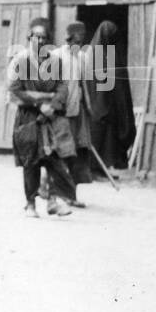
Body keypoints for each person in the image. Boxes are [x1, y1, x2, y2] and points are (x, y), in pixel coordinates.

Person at [8, 17, 75, 218]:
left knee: (54, 158)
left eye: (43, 37)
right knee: (31, 160)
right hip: (28, 117)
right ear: (29, 37)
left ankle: (53, 201)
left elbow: (63, 87)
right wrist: (40, 102)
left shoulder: (55, 61)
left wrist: (53, 105)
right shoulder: (20, 60)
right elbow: (15, 90)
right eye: (35, 37)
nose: (39, 41)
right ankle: (30, 203)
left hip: (50, 117)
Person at [85, 20, 134, 175]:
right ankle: (95, 170)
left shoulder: (106, 53)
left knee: (107, 140)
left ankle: (103, 169)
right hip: (100, 105)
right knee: (99, 137)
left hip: (105, 105)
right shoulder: (97, 54)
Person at [56, 20, 93, 203]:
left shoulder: (83, 58)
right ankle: (57, 192)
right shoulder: (56, 56)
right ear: (69, 38)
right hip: (62, 112)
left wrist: (88, 106)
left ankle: (71, 195)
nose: (78, 43)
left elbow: (84, 84)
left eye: (81, 40)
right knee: (63, 153)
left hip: (78, 112)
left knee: (77, 154)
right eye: (76, 39)